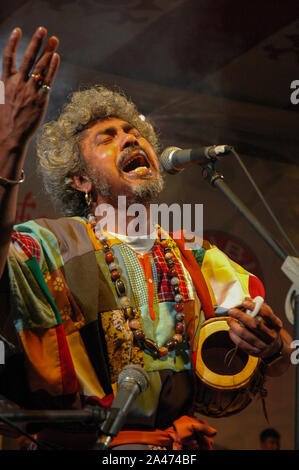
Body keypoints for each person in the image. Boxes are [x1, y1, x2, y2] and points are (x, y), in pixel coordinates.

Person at [0, 27, 293, 451]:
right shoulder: (48, 244)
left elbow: (280, 355)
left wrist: (272, 346)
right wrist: (10, 145)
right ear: (80, 179)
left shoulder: (194, 255)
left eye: (132, 131)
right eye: (108, 136)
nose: (131, 137)